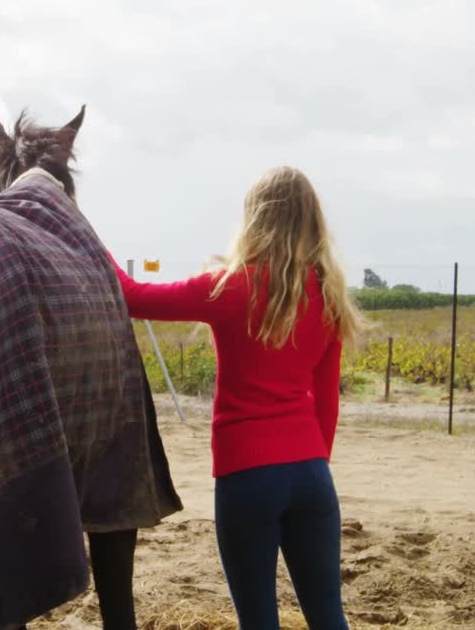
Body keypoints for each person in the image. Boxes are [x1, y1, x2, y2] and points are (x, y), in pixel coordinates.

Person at [109, 166, 363, 630]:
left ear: (254, 219)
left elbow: (131, 295)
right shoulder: (327, 296)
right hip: (311, 475)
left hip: (247, 475)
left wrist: (82, 233)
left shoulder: (228, 288)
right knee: (329, 617)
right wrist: (307, 465)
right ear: (312, 221)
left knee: (259, 621)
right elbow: (327, 405)